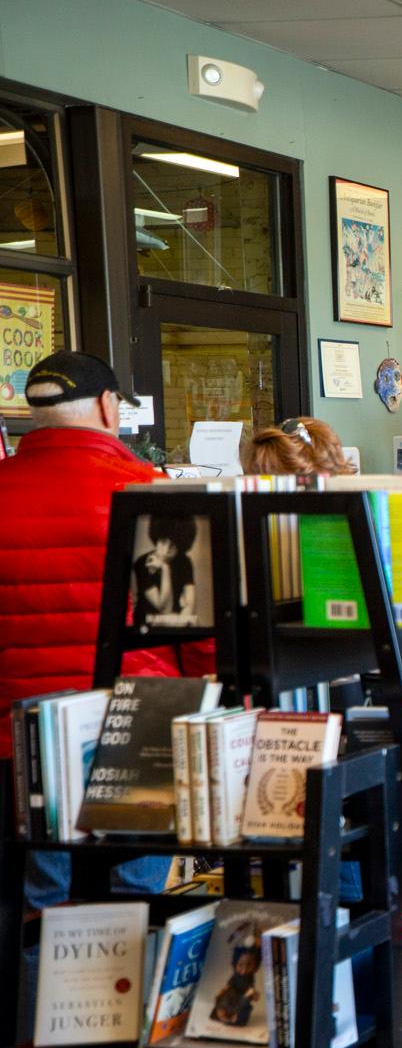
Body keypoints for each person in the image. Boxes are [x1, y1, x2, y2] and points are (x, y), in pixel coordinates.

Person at [0, 351, 189, 906]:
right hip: (140, 716)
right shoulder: (147, 488)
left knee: (39, 899)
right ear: (109, 407)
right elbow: (189, 623)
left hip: (20, 728)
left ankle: (36, 994)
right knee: (132, 895)